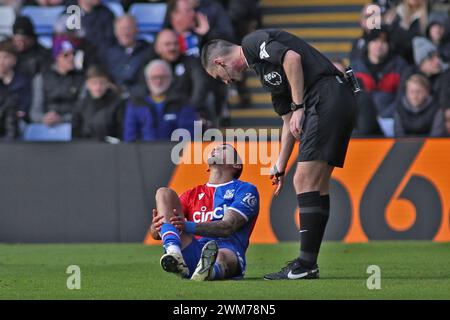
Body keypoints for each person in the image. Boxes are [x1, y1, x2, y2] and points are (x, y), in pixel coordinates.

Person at [201, 29, 358, 280]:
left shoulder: (251, 43)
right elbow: (288, 123)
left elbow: (292, 58)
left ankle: (306, 264)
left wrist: (298, 106)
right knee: (318, 184)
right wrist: (280, 164)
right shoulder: (268, 77)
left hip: (326, 96)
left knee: (304, 181)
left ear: (219, 62)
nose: (225, 81)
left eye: (218, 76)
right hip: (337, 98)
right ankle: (309, 264)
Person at [149, 143, 260, 280]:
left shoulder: (245, 190)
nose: (216, 149)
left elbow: (228, 226)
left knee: (222, 255)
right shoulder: (191, 194)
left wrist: (187, 225)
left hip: (227, 251)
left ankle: (209, 272)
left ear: (236, 165)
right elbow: (156, 234)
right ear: (208, 167)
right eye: (215, 148)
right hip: (192, 250)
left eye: (224, 148)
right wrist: (156, 227)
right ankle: (174, 253)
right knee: (164, 193)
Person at [123, 59, 198, 142]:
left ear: (170, 78)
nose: (158, 81)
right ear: (147, 79)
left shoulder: (182, 103)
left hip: (174, 153)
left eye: (162, 77)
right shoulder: (135, 103)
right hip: (142, 153)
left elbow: (188, 135)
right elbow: (130, 137)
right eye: (154, 77)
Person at [152, 29, 210, 121]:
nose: (172, 48)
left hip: (188, 111)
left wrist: (190, 110)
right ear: (157, 47)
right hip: (159, 114)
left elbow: (200, 86)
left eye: (176, 44)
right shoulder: (152, 65)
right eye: (167, 44)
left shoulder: (192, 62)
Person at [30, 38, 85, 126]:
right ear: (57, 57)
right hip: (45, 126)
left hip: (74, 128)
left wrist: (62, 119)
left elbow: (82, 110)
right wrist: (44, 118)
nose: (71, 58)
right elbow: (34, 112)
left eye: (73, 54)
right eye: (66, 55)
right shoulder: (41, 78)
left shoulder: (82, 79)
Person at [102, 15, 154, 97]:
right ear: (115, 32)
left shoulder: (147, 51)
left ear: (137, 30)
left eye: (129, 28)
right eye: (122, 29)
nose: (125, 32)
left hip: (138, 98)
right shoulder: (108, 52)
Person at [72, 65, 124, 140]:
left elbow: (121, 132)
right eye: (94, 83)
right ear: (87, 84)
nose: (98, 87)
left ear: (108, 84)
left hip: (110, 147)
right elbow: (76, 132)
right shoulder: (81, 104)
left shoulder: (117, 103)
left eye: (102, 83)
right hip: (85, 147)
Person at [0, 40, 31, 123]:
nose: (1, 61)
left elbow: (24, 108)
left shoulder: (23, 82)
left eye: (5, 57)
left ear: (14, 60)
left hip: (16, 123)